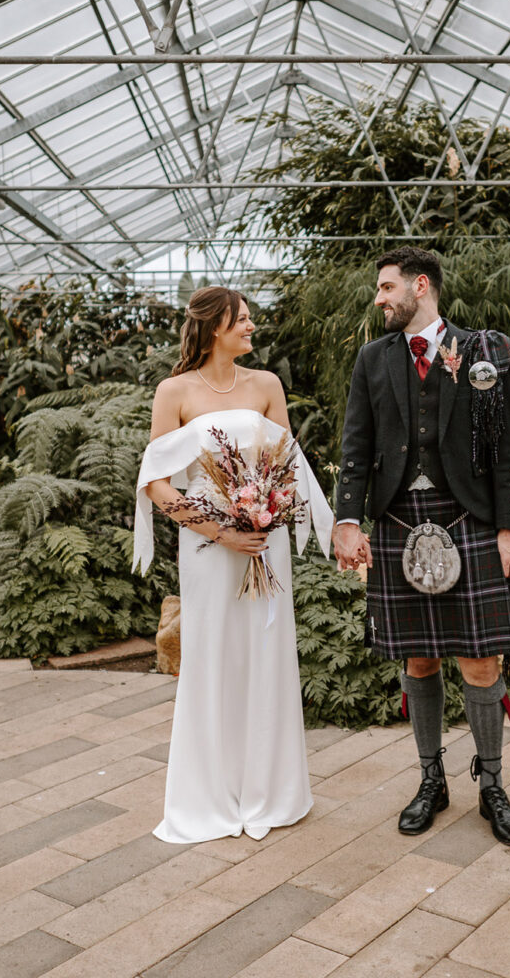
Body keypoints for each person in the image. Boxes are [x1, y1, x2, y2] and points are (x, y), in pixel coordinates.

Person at [332, 247, 510, 847]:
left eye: (386, 287)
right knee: (419, 660)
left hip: (471, 521)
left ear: (419, 286)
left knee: (481, 661)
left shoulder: (483, 350)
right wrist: (348, 519)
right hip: (400, 522)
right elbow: (356, 445)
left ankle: (493, 785)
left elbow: (506, 445)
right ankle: (432, 780)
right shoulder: (372, 359)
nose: (379, 299)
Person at [133, 286, 332, 843]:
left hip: (266, 542)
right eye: (242, 320)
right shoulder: (173, 392)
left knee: (265, 657)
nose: (251, 327)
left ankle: (272, 790)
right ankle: (211, 794)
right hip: (207, 547)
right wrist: (219, 530)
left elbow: (287, 467)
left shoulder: (266, 385)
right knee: (213, 657)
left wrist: (266, 517)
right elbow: (156, 482)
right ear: (215, 326)